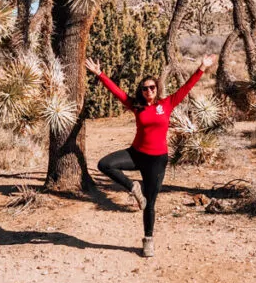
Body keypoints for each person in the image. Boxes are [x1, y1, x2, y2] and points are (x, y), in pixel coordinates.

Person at [87, 53, 216, 258]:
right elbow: (117, 92)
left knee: (150, 203)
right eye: (145, 88)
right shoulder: (136, 106)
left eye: (152, 88)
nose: (149, 91)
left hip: (157, 160)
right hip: (136, 154)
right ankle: (133, 187)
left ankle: (148, 240)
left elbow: (187, 88)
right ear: (141, 91)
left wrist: (201, 68)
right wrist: (100, 74)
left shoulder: (166, 104)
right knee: (105, 164)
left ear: (157, 89)